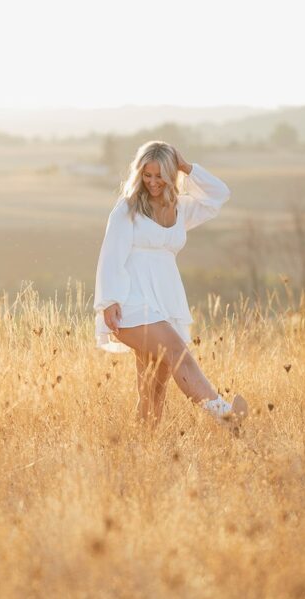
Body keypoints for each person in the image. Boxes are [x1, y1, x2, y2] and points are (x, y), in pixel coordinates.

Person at [93, 140, 248, 433]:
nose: (152, 182)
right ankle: (225, 415)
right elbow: (111, 256)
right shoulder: (126, 210)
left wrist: (187, 167)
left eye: (159, 175)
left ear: (171, 173)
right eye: (147, 175)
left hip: (164, 301)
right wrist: (109, 302)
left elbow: (219, 195)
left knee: (154, 388)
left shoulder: (181, 209)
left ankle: (143, 449)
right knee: (178, 353)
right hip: (131, 301)